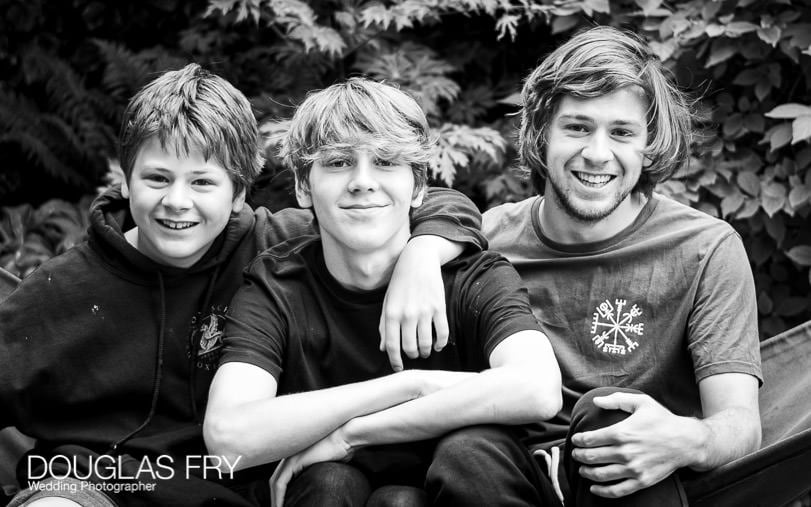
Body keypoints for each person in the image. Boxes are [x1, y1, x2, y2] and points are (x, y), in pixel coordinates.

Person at [0, 64, 487, 507]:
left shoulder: (277, 245)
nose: (177, 202)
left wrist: (424, 253)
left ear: (238, 192)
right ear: (125, 181)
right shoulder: (59, 291)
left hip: (243, 490)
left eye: (203, 183)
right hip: (98, 488)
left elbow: (431, 204)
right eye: (157, 178)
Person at [203, 78, 563, 507]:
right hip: (338, 491)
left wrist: (351, 434)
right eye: (337, 163)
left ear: (419, 188)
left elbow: (538, 389)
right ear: (303, 186)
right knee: (328, 482)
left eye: (387, 162)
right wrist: (409, 386)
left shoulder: (472, 275)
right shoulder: (277, 285)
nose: (362, 181)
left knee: (466, 454)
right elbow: (228, 439)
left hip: (469, 487)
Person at [480, 26, 763, 505]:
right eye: (577, 127)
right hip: (505, 480)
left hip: (636, 486)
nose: (597, 153)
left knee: (610, 414)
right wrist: (424, 253)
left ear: (648, 144)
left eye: (622, 133)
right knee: (462, 453)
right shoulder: (487, 242)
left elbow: (740, 423)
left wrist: (687, 439)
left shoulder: (704, 249)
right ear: (541, 133)